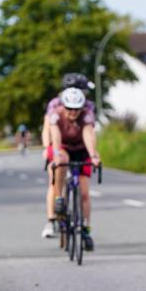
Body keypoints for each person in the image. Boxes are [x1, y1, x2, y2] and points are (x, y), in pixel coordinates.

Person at [41, 73, 97, 239]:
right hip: (61, 145)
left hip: (80, 146)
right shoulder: (55, 106)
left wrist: (94, 154)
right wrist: (48, 149)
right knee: (55, 176)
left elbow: (89, 131)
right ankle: (52, 218)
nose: (73, 111)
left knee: (84, 190)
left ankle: (85, 227)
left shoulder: (87, 107)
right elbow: (49, 129)